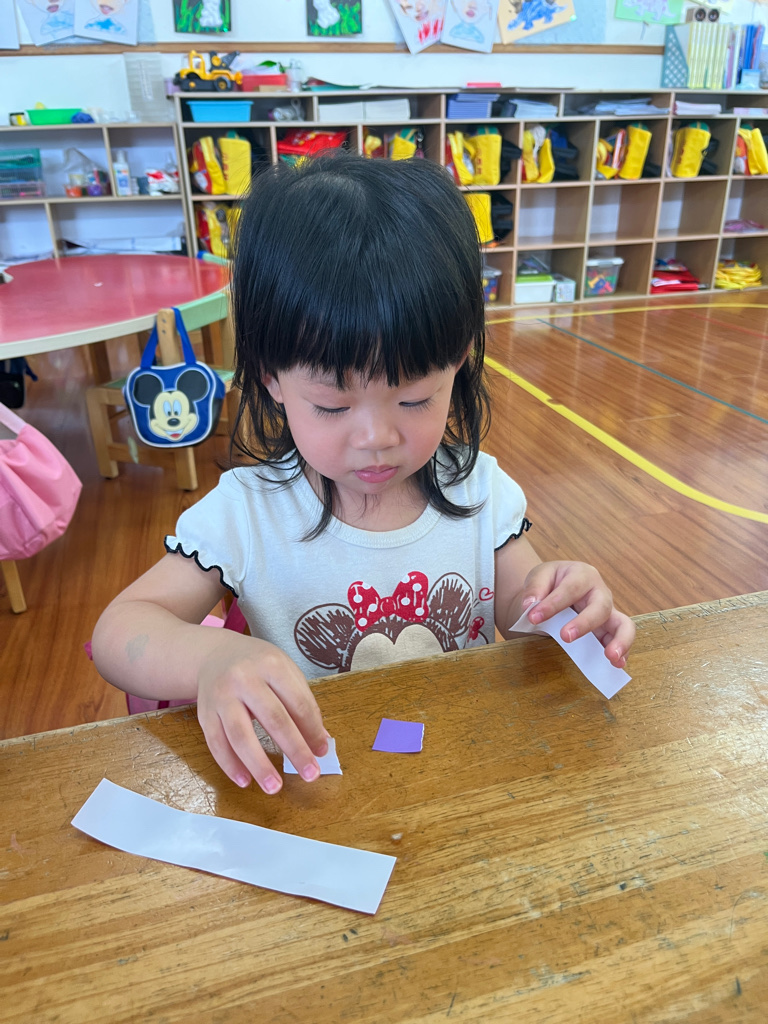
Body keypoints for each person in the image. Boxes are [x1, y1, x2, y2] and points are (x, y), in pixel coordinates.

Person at [92, 154, 635, 796]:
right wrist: (212, 658)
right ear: (270, 376)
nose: (377, 437)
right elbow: (120, 631)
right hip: (315, 788)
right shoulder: (245, 512)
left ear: (459, 363)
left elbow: (524, 614)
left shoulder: (479, 490)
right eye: (332, 405)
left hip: (455, 772)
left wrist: (565, 605)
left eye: (415, 399)